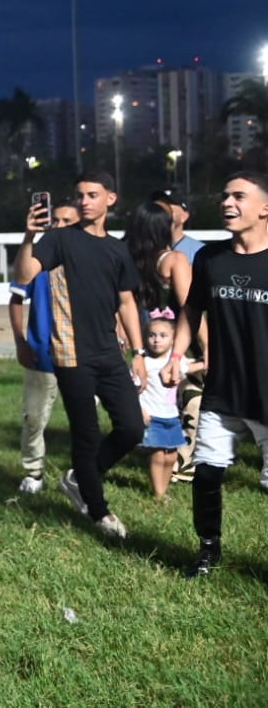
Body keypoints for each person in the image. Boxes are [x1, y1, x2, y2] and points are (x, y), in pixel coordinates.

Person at [14, 171, 146, 540]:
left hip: (109, 352)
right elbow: (24, 275)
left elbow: (126, 302)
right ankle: (99, 512)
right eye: (80, 195)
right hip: (70, 353)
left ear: (111, 199)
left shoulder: (118, 249)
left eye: (92, 194)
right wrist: (29, 235)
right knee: (86, 435)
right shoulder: (59, 239)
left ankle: (77, 479)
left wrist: (138, 352)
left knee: (133, 428)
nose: (84, 200)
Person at [166, 172, 268, 577]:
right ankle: (208, 550)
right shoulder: (210, 257)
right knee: (206, 473)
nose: (228, 202)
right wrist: (177, 353)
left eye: (239, 196)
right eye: (225, 196)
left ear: (264, 207)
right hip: (223, 389)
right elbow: (191, 311)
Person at [9, 201, 80, 494]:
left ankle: (81, 474)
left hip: (81, 356)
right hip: (42, 354)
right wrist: (20, 341)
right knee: (34, 417)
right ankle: (34, 472)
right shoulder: (36, 260)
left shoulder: (88, 257)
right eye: (56, 220)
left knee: (83, 420)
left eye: (67, 220)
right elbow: (15, 297)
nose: (59, 225)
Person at [136, 309, 183, 499]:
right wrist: (140, 410)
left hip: (172, 416)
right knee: (157, 454)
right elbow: (134, 390)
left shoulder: (175, 361)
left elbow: (191, 367)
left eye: (163, 336)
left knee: (171, 455)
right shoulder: (143, 363)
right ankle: (158, 493)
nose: (156, 340)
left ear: (173, 339)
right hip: (152, 416)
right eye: (152, 335)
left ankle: (163, 489)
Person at [151, 188, 205, 263]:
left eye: (168, 205)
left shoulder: (200, 252)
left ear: (184, 216)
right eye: (158, 205)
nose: (161, 210)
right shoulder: (142, 248)